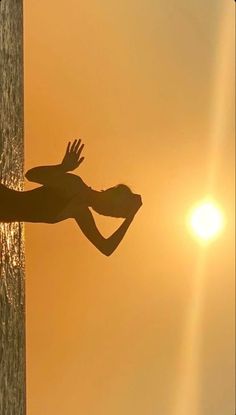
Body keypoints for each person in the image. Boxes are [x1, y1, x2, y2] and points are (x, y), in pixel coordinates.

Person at [0, 139, 142, 255]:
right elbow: (31, 175)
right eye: (112, 207)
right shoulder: (74, 185)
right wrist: (63, 167)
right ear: (110, 191)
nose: (107, 213)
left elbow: (106, 248)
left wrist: (130, 217)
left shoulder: (82, 213)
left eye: (112, 214)